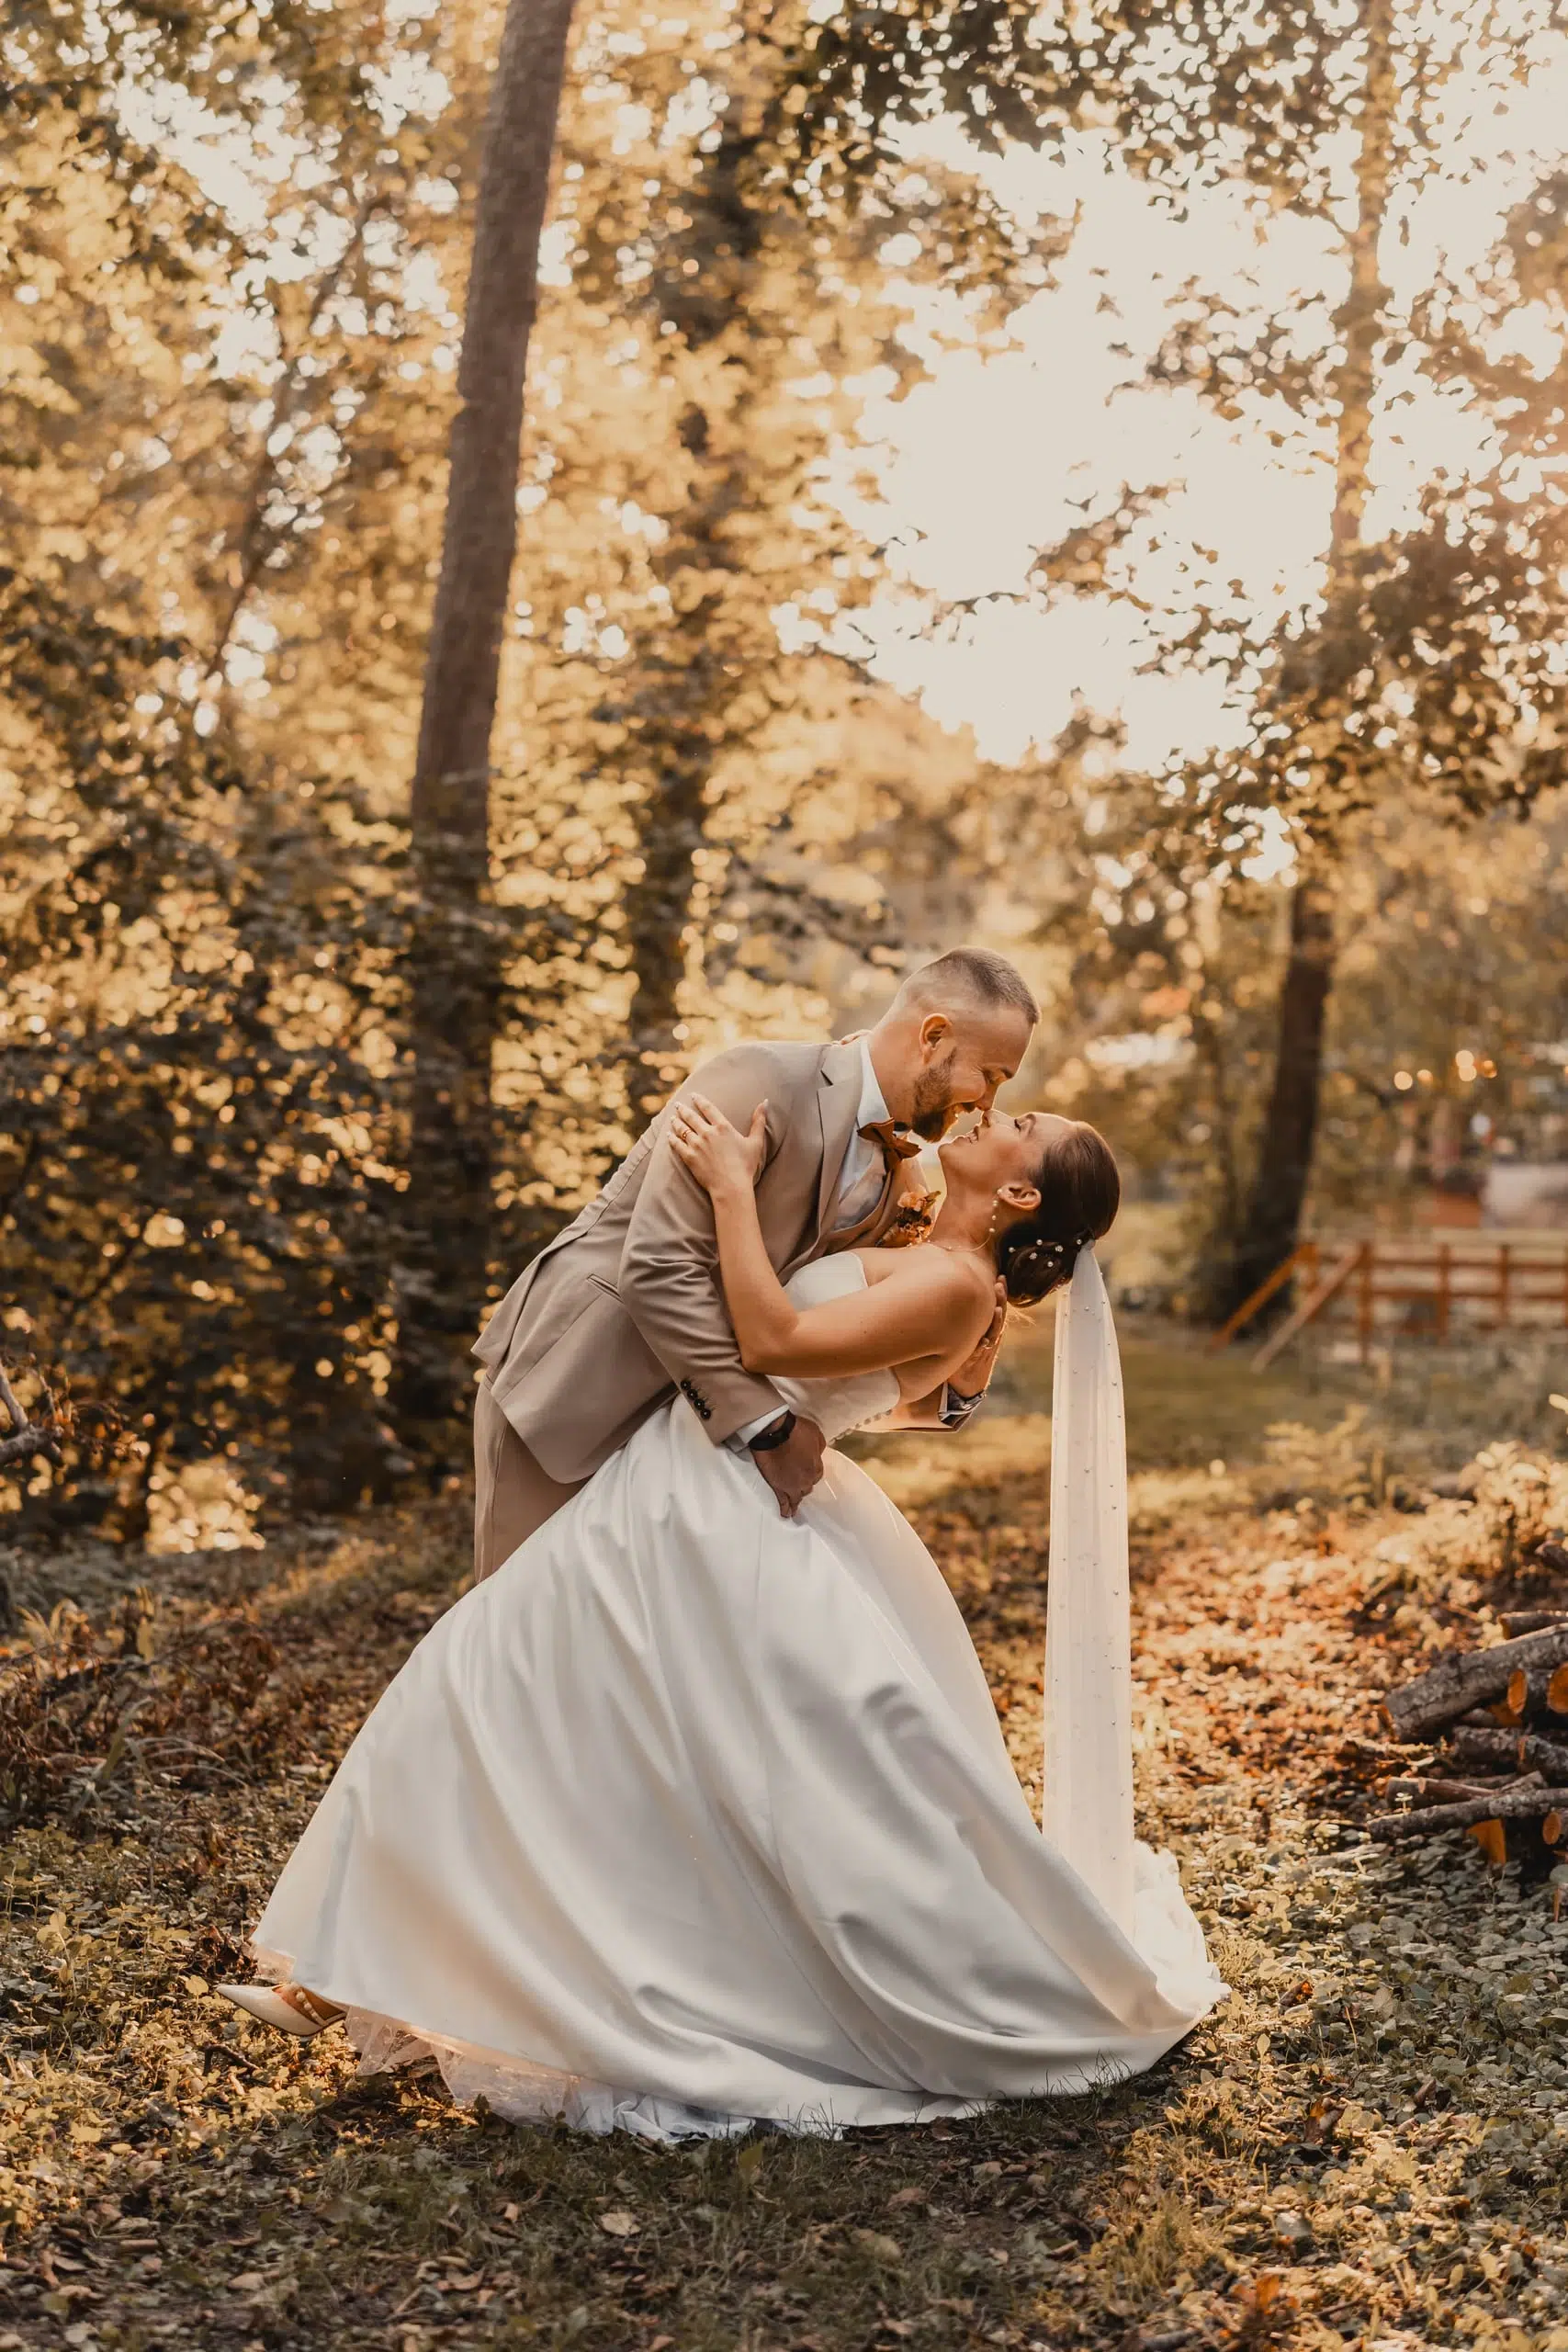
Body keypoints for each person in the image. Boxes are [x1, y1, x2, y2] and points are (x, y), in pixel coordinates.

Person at [220, 1086, 1224, 2136]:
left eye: (1021, 1126)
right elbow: (909, 1391)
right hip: (685, 1486)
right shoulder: (936, 1256)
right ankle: (350, 1969)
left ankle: (363, 1974)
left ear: (1019, 1189)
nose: (998, 1112)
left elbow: (772, 1336)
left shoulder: (957, 1286)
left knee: (496, 1689)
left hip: (721, 1513)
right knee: (488, 1688)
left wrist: (734, 1191)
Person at [468, 946, 1039, 1579]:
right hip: (578, 1388)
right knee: (517, 1632)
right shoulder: (760, 1080)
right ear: (933, 1037)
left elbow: (832, 1357)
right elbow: (660, 1267)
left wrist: (951, 1395)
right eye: (989, 1074)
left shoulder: (904, 1178)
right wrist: (767, 1429)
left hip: (688, 1449)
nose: (988, 1103)